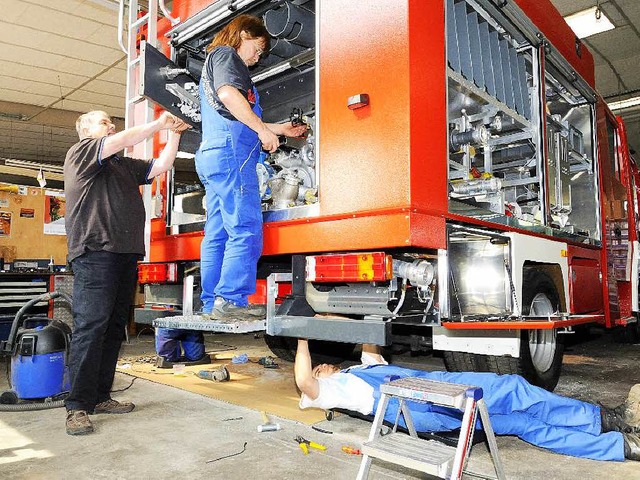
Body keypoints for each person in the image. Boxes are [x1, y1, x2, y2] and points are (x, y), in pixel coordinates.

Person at [294, 339, 640, 462]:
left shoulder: (357, 370)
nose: (322, 367)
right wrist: (302, 339)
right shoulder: (337, 391)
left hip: (434, 396)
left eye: (323, 366)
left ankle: (620, 445)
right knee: (514, 388)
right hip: (429, 403)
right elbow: (303, 380)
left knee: (520, 422)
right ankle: (607, 419)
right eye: (320, 369)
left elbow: (370, 341)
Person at [63, 110, 190, 435]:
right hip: (95, 253)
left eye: (111, 122)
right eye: (104, 122)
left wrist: (174, 133)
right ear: (86, 130)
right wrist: (158, 124)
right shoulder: (81, 153)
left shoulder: (120, 165)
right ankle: (77, 406)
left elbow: (159, 166)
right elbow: (120, 139)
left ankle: (100, 396)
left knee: (112, 328)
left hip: (125, 254)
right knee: (90, 328)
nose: (112, 125)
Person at [196, 14, 308, 321]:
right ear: (243, 33)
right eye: (257, 49)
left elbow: (234, 114)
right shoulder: (226, 55)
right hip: (232, 156)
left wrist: (280, 129)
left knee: (217, 234)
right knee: (245, 228)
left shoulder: (214, 64)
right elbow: (229, 96)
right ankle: (230, 299)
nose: (256, 59)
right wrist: (262, 130)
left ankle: (212, 303)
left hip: (215, 154)